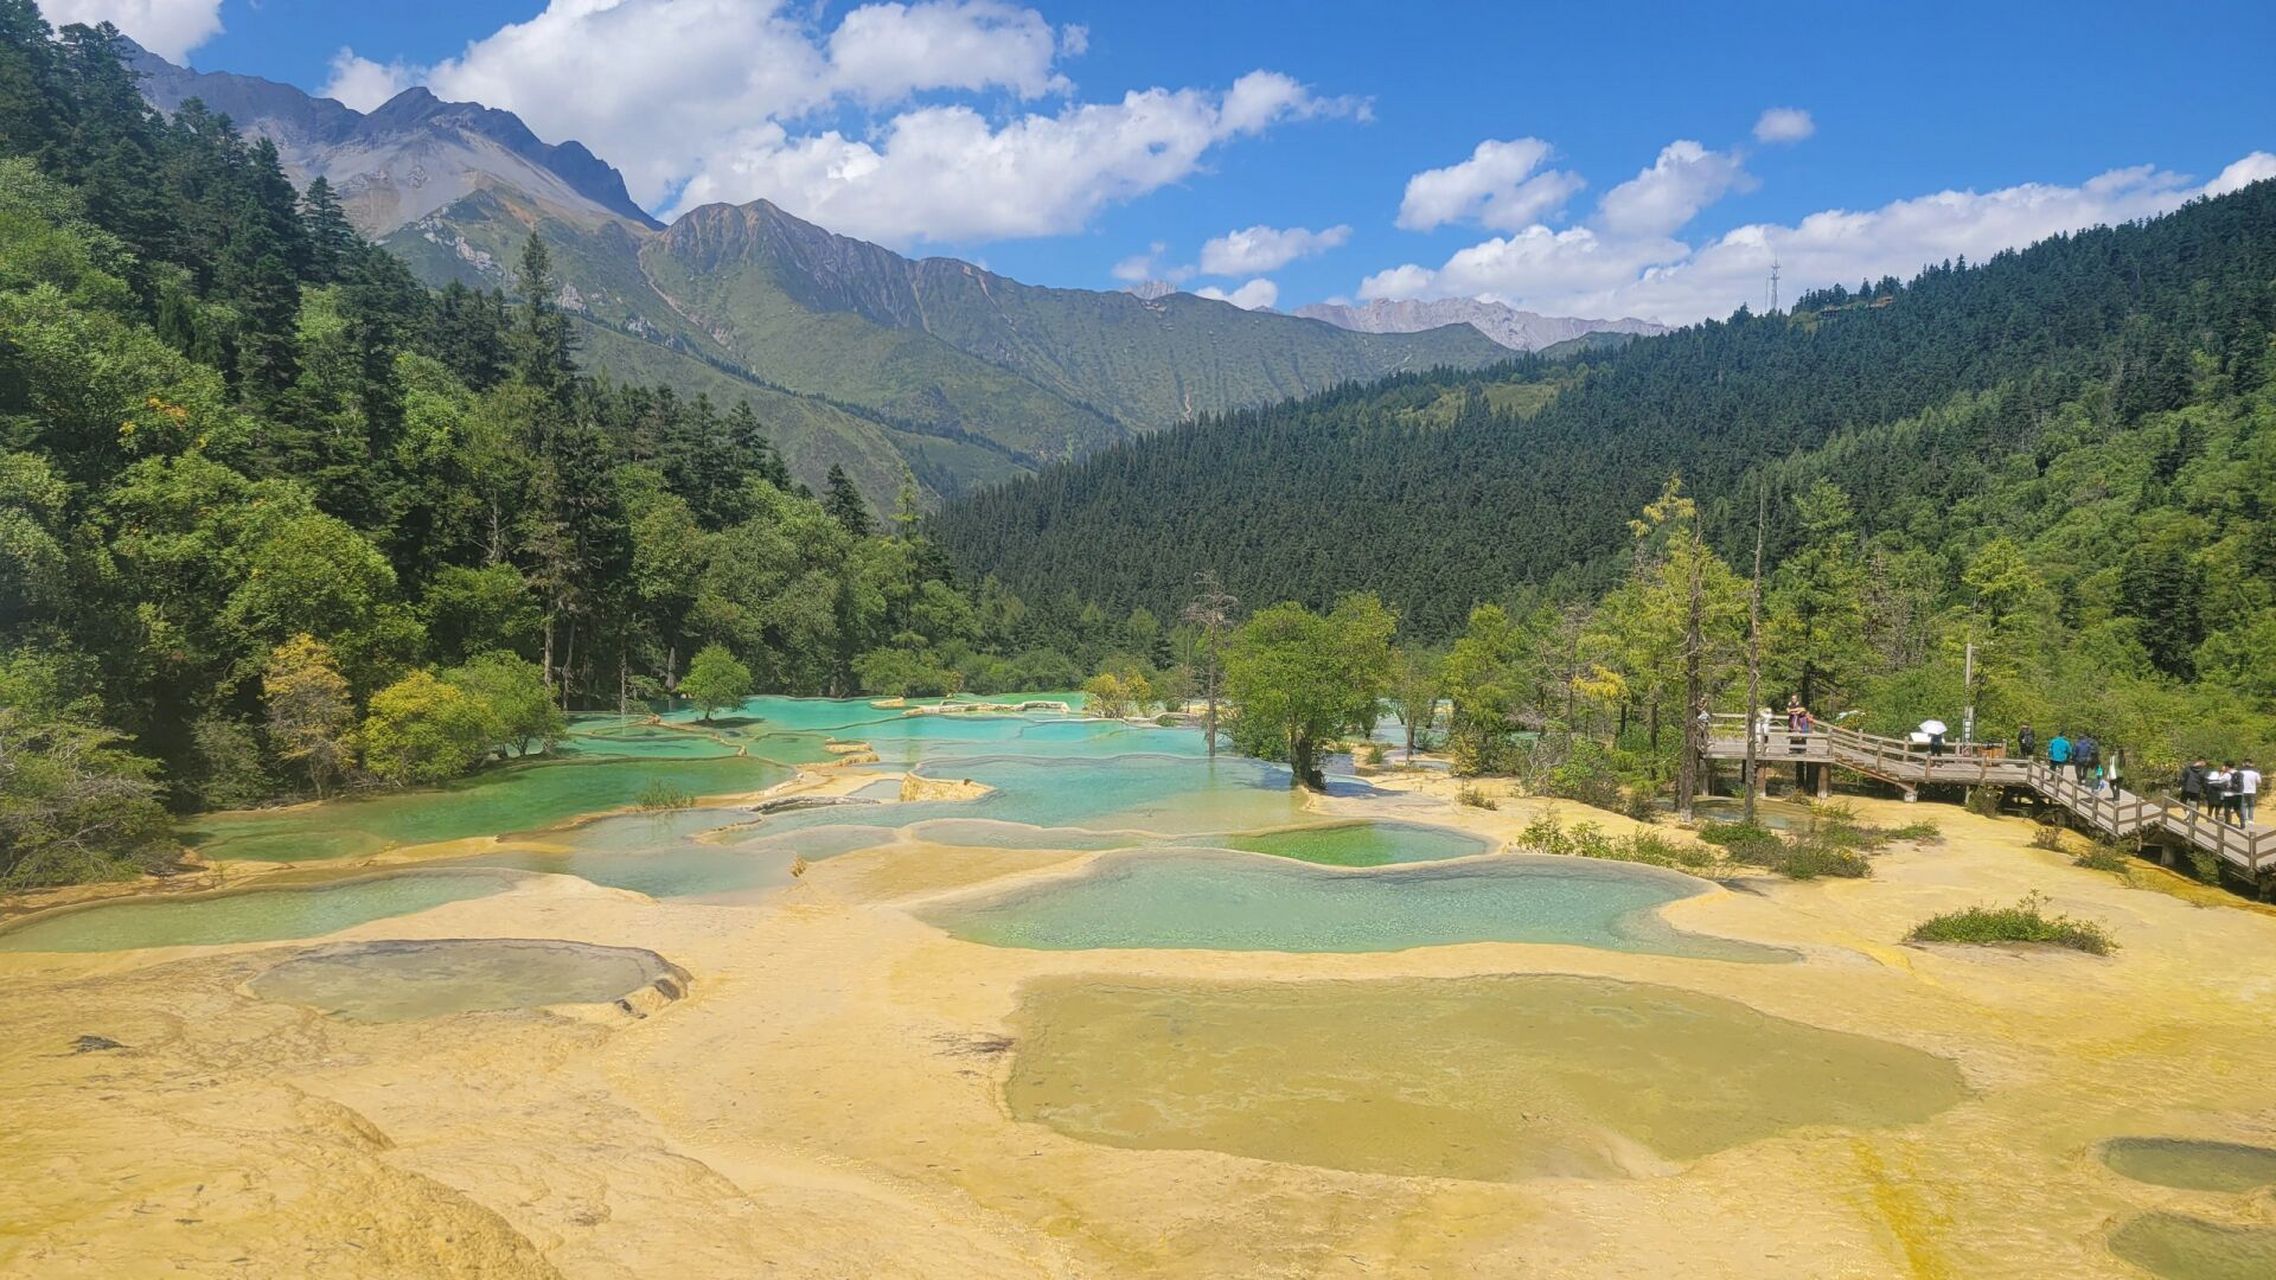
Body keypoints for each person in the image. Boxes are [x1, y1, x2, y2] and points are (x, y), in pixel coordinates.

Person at [2241, 760, 2261, 826]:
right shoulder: (2255, 773)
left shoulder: (2240, 772)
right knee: (2251, 806)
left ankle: (2244, 819)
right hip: (2252, 791)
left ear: (2243, 764)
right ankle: (2250, 820)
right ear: (2251, 764)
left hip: (2243, 791)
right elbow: (2259, 782)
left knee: (2243, 805)